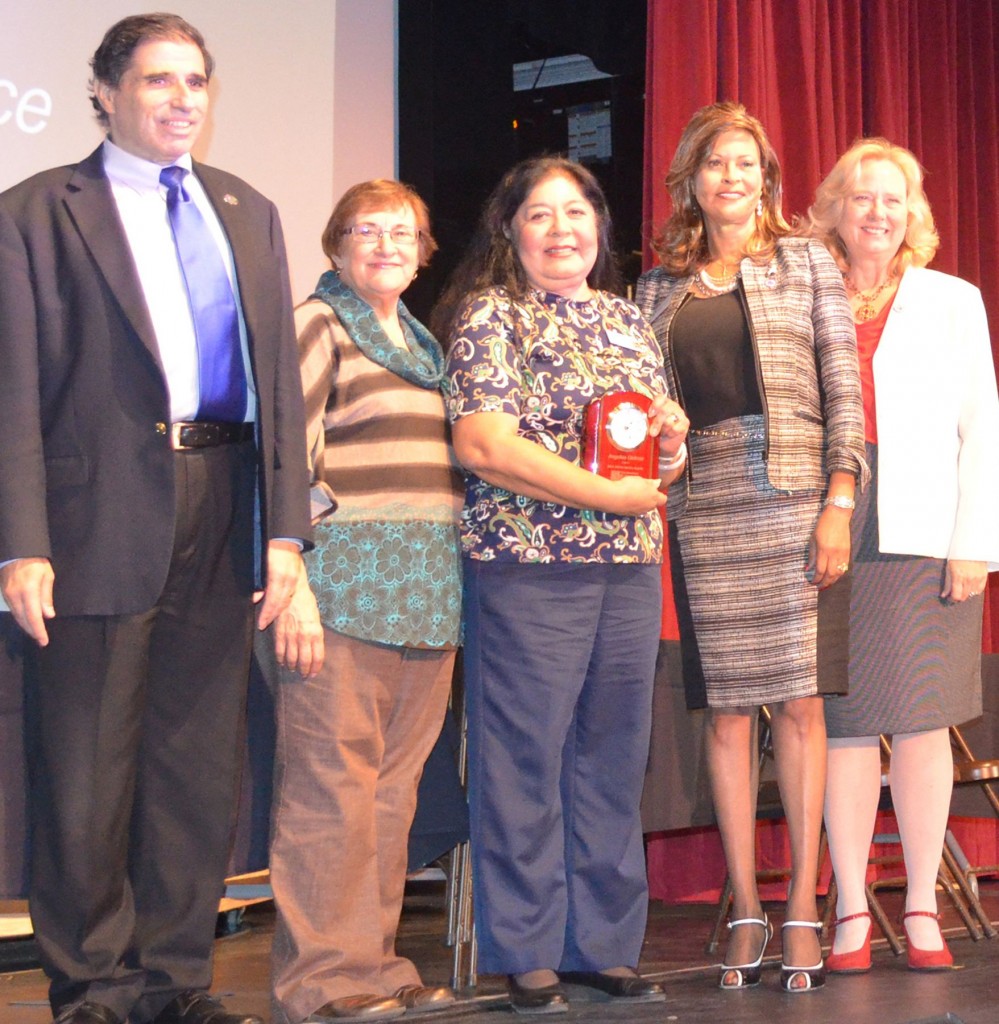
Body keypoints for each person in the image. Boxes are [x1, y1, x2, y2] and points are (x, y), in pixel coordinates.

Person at [0, 14, 311, 1024]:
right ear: (103, 92)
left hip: (224, 509)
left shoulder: (246, 210)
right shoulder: (37, 213)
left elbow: (278, 389)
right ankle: (94, 986)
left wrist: (285, 531)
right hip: (94, 520)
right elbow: (10, 391)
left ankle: (176, 982)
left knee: (192, 766)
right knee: (87, 770)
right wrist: (22, 540)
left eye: (195, 81)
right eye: (157, 80)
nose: (181, 99)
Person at [433, 155, 687, 1015]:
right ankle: (529, 951)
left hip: (624, 567)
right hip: (527, 565)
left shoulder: (625, 320)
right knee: (525, 761)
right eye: (539, 215)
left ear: (599, 228)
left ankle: (602, 946)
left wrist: (670, 446)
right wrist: (609, 495)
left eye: (575, 213)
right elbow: (484, 446)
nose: (560, 230)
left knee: (611, 761)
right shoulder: (488, 316)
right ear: (508, 230)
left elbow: (644, 447)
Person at [635, 102, 867, 994]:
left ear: (765, 179)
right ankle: (742, 903)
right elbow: (643, 414)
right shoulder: (653, 290)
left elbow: (842, 393)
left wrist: (839, 500)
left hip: (797, 497)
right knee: (727, 715)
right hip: (702, 509)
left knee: (801, 707)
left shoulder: (806, 261)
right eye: (714, 164)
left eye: (745, 164)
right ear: (690, 179)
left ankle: (802, 905)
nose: (730, 178)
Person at [268, 181, 463, 1024]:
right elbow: (285, 463)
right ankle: (321, 984)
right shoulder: (317, 325)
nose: (385, 244)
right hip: (341, 594)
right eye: (365, 229)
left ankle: (376, 970)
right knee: (328, 797)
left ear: (423, 251)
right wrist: (296, 587)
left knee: (390, 797)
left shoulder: (421, 344)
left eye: (403, 231)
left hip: (426, 598)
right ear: (335, 242)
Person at [805, 139, 999, 973]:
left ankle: (919, 902)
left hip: (927, 527)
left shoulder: (952, 299)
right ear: (834, 210)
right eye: (859, 197)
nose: (875, 212)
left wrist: (975, 546)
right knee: (844, 726)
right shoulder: (804, 294)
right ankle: (851, 905)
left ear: (912, 212)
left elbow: (980, 427)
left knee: (922, 721)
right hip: (829, 520)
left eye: (891, 198)